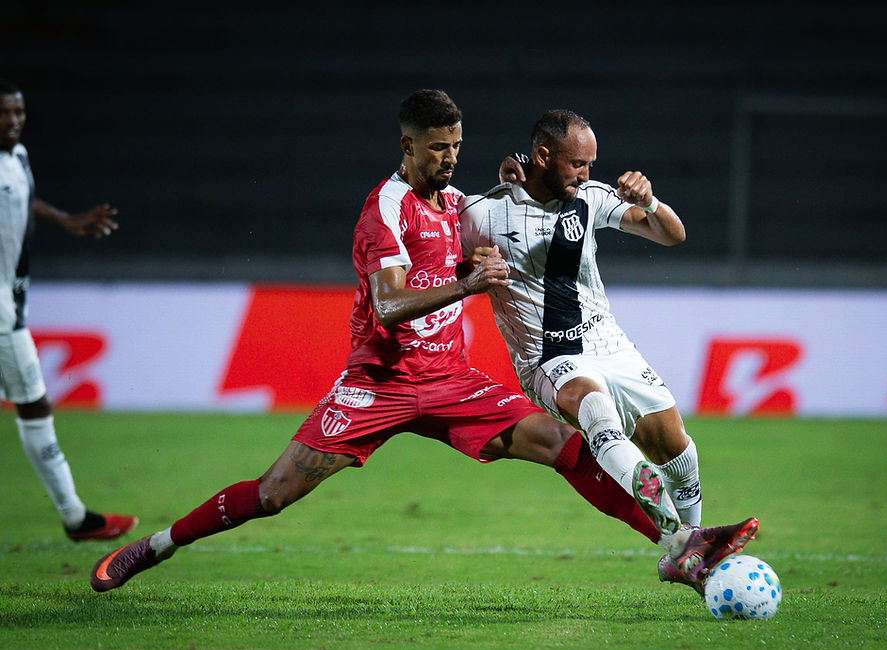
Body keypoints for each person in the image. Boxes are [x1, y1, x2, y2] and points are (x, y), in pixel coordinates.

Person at [90, 89, 755, 594]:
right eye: (438, 147)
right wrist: (469, 286)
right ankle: (157, 544)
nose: (449, 157)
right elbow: (387, 305)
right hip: (377, 382)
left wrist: (523, 174)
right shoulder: (387, 208)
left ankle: (682, 543)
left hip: (451, 380)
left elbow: (519, 203)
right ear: (407, 146)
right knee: (272, 492)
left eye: (457, 146)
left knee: (564, 445)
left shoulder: (459, 205)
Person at [460, 108, 757, 594]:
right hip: (548, 357)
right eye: (578, 164)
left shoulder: (592, 199)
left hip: (610, 344)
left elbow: (672, 234)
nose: (586, 175)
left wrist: (653, 201)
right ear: (542, 156)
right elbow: (442, 256)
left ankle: (693, 551)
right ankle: (682, 542)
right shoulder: (483, 214)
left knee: (676, 447)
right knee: (596, 410)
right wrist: (468, 268)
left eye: (591, 164)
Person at [0, 80, 137, 540]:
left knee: (33, 405)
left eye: (19, 112)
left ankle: (76, 516)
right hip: (1, 313)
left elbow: (19, 199)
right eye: (6, 113)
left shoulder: (16, 157)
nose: (15, 121)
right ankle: (76, 516)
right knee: (34, 405)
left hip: (11, 303)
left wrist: (63, 219)